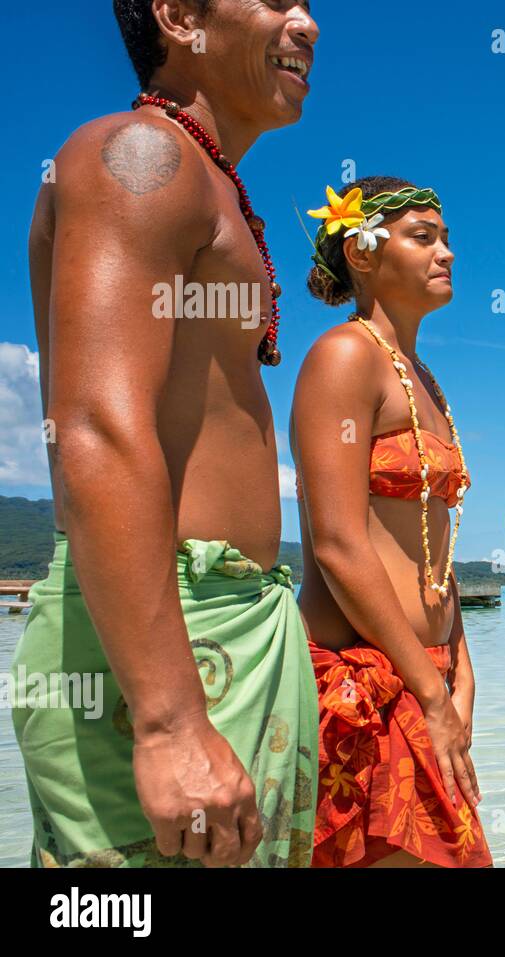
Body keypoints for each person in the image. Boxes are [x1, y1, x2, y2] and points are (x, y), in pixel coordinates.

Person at [12, 0, 319, 868]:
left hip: (227, 627)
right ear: (181, 16)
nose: (308, 23)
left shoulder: (203, 177)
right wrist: (170, 719)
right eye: (275, 0)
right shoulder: (139, 155)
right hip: (162, 641)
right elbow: (98, 427)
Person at [291, 176, 491, 867]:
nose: (448, 252)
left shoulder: (425, 378)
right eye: (424, 236)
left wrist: (462, 671)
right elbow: (339, 544)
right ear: (364, 253)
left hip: (427, 673)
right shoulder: (344, 356)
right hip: (365, 679)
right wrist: (430, 691)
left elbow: (433, 543)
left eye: (446, 237)